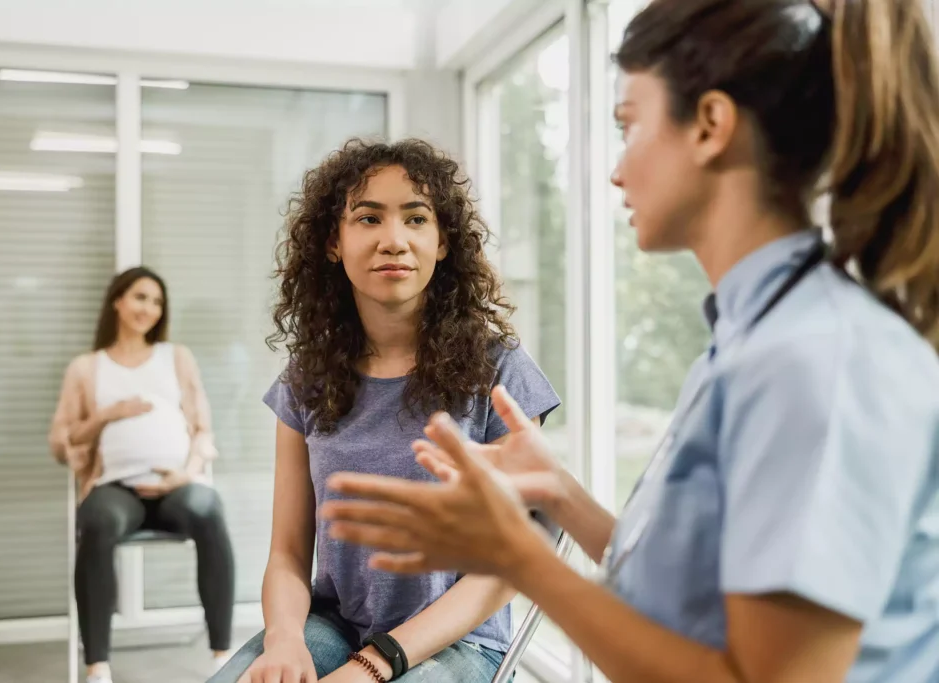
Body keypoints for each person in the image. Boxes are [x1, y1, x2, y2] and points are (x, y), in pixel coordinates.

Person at [319, 1, 939, 681]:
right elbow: (691, 597)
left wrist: (517, 557)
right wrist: (557, 491)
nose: (617, 170)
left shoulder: (815, 358)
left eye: (629, 125)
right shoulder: (748, 339)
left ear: (709, 126)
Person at [211, 138, 561, 683]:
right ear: (334, 241)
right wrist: (283, 642)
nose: (393, 240)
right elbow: (286, 553)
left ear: (442, 241)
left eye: (416, 218)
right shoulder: (306, 380)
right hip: (336, 625)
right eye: (368, 218)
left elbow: (507, 563)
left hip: (459, 643)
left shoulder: (500, 371)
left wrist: (374, 666)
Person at [50, 267, 236, 683]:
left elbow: (203, 429)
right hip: (117, 489)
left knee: (208, 510)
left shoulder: (177, 357)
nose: (148, 308)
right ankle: (98, 666)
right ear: (117, 300)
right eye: (139, 297)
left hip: (176, 487)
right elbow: (62, 441)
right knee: (96, 520)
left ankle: (222, 654)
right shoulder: (87, 368)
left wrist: (185, 475)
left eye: (156, 301)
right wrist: (107, 415)